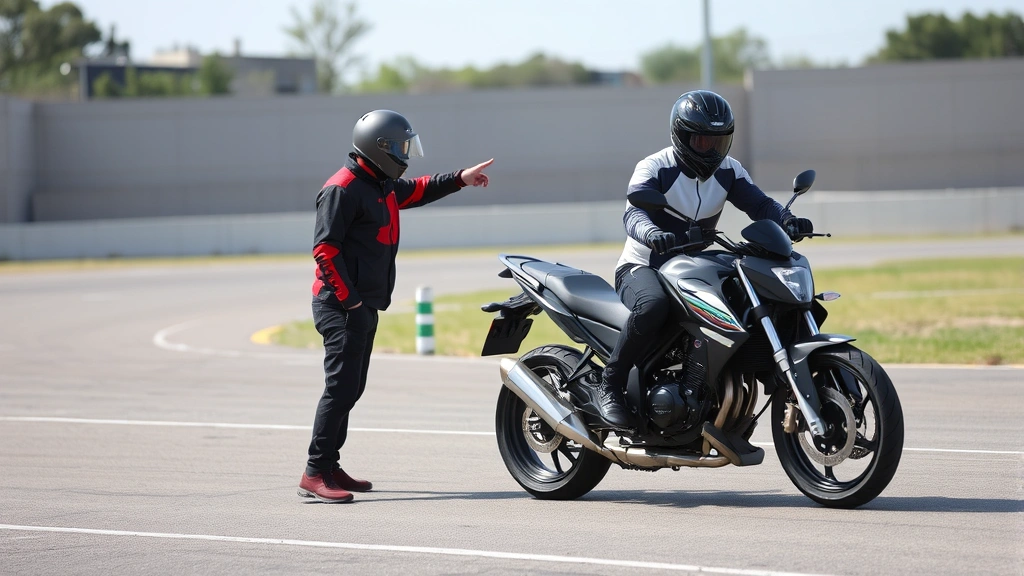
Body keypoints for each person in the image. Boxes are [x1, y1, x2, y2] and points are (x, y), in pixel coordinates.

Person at [298, 109, 494, 503]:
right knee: (340, 388)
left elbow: (419, 189)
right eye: (401, 147)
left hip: (362, 305)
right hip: (340, 306)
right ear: (379, 148)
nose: (406, 155)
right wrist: (351, 303)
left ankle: (330, 465)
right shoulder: (343, 189)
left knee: (352, 387)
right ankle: (315, 472)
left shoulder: (382, 184)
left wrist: (460, 179)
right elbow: (324, 250)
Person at [588, 90, 814, 429]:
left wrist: (787, 219)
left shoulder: (729, 170)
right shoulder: (655, 167)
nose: (710, 148)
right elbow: (633, 215)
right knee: (652, 307)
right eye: (701, 140)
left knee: (748, 295)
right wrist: (652, 234)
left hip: (691, 265)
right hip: (644, 266)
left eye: (718, 141)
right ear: (681, 136)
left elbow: (761, 206)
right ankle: (611, 384)